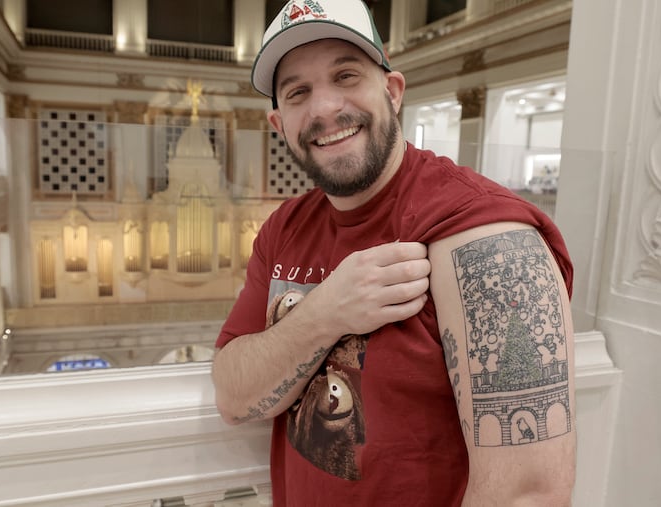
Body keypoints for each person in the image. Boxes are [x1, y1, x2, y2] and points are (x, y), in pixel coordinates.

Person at [212, 1, 577, 505]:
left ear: (393, 91)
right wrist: (326, 313)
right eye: (299, 92)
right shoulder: (284, 227)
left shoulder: (483, 234)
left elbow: (527, 494)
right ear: (280, 124)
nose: (323, 109)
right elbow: (233, 398)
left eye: (346, 75)